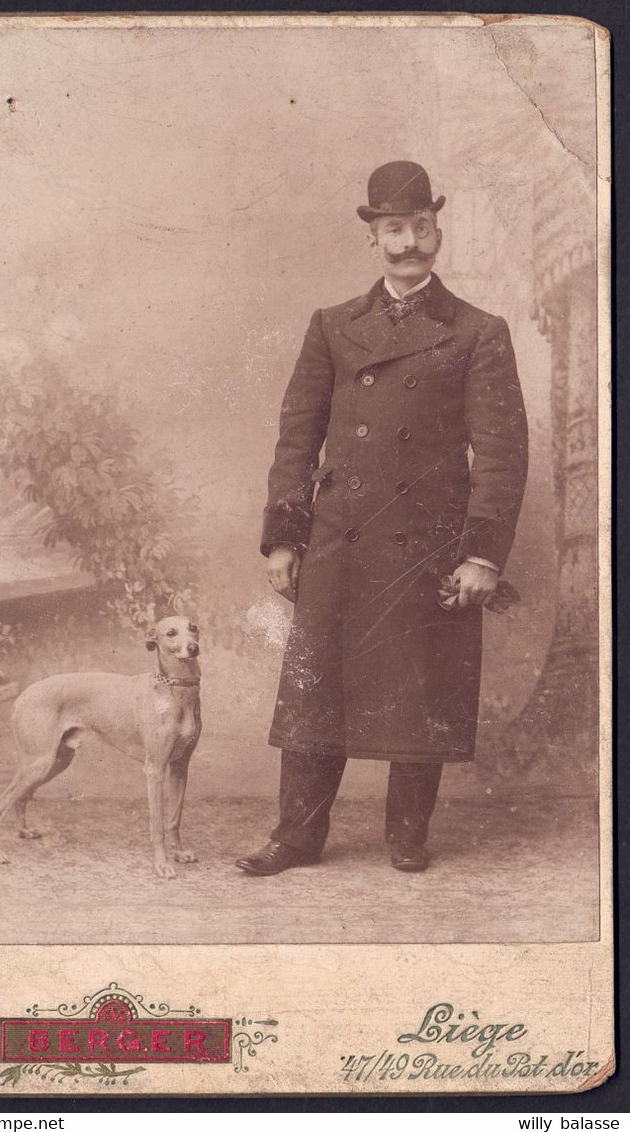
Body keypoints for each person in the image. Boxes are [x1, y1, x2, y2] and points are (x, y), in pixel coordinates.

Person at [236, 161, 528, 876]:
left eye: (419, 227)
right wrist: (284, 537)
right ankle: (295, 837)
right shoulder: (332, 326)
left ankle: (407, 833)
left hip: (427, 543)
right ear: (373, 237)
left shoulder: (476, 332)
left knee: (419, 684)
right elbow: (297, 436)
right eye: (392, 230)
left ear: (437, 230)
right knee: (317, 685)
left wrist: (482, 555)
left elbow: (500, 452)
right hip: (339, 537)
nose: (407, 244)